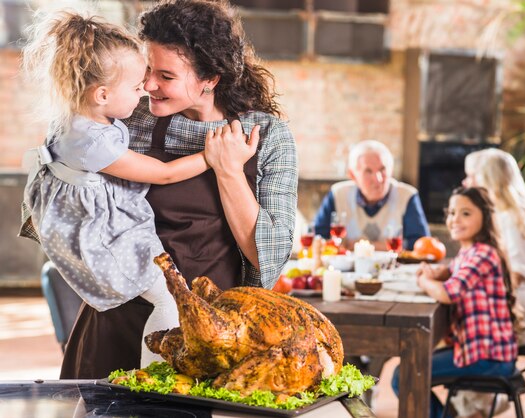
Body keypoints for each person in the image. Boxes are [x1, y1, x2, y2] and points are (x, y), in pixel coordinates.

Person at [58, 0, 297, 378]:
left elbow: (267, 256)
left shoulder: (265, 136)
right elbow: (65, 189)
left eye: (166, 76)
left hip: (210, 332)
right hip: (118, 321)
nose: (149, 85)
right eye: (147, 70)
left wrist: (229, 169)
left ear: (210, 79)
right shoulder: (127, 119)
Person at [19, 11, 219, 367]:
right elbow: (165, 174)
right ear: (102, 93)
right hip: (103, 236)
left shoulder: (79, 114)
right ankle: (153, 376)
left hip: (93, 220)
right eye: (137, 87)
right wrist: (213, 157)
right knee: (167, 300)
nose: (145, 92)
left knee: (164, 298)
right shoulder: (92, 141)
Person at [449, 148, 525, 418]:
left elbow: (514, 276)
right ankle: (471, 404)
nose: (465, 183)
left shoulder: (511, 218)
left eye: (471, 176)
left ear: (488, 180)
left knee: (461, 326)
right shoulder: (521, 208)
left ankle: (474, 404)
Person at [391, 187, 518, 418]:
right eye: (451, 213)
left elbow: (449, 293)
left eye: (466, 213)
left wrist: (423, 280)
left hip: (488, 357)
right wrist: (440, 273)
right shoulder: (468, 252)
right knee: (408, 370)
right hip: (482, 352)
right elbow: (454, 273)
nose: (455, 220)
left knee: (405, 374)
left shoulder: (483, 254)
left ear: (485, 217)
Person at [313, 139, 429, 251]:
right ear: (353, 175)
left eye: (383, 169)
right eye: (368, 171)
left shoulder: (407, 196)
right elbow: (318, 237)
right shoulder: (338, 194)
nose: (378, 179)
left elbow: (420, 245)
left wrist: (364, 245)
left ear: (391, 171)